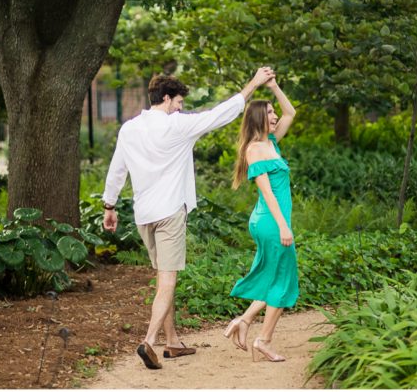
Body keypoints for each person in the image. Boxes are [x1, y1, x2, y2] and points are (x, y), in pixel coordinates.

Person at [102, 67, 275, 370]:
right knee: (168, 281)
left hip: (144, 215)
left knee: (162, 278)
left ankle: (172, 342)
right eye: (179, 102)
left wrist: (109, 206)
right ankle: (149, 342)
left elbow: (118, 168)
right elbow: (220, 114)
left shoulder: (129, 128)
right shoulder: (177, 126)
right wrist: (254, 84)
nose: (181, 108)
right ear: (167, 99)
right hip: (169, 213)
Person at [223, 77, 297, 362]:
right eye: (269, 113)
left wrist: (275, 87)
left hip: (271, 221)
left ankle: (242, 322)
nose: (276, 116)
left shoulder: (273, 143)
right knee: (283, 279)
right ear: (257, 118)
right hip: (270, 220)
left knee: (276, 276)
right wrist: (283, 226)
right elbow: (267, 192)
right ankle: (263, 340)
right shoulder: (255, 149)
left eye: (273, 113)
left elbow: (291, 113)